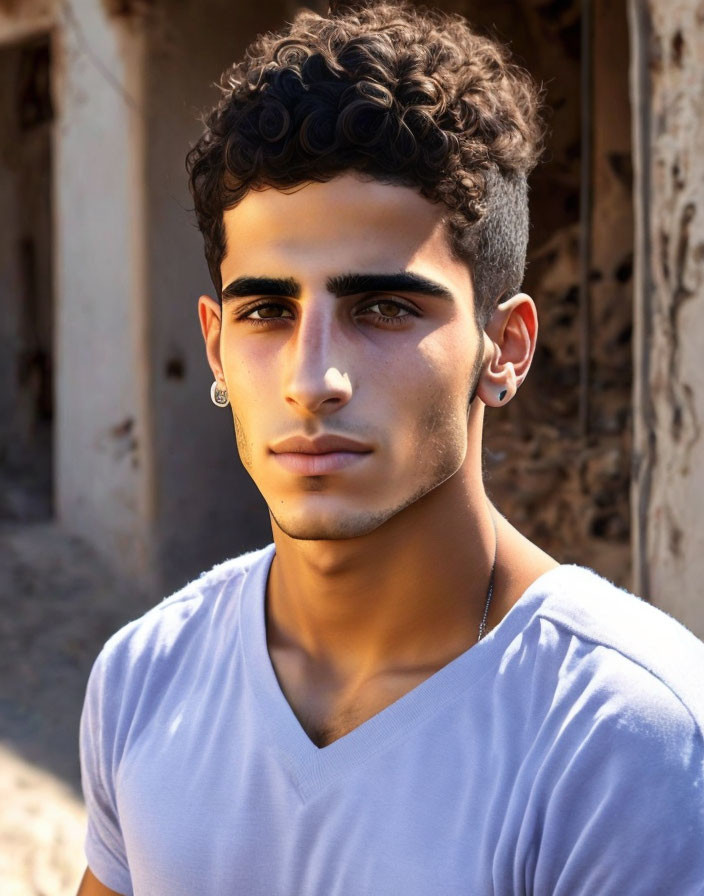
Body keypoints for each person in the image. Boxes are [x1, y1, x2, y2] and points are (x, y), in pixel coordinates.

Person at [76, 2, 704, 894]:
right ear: (215, 346)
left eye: (383, 309)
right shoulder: (145, 678)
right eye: (267, 311)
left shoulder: (624, 737)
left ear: (506, 347)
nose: (313, 377)